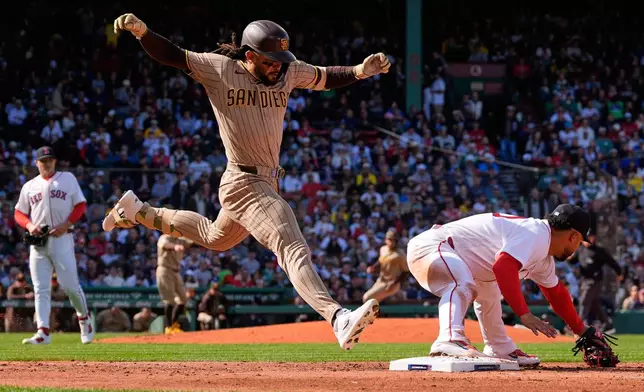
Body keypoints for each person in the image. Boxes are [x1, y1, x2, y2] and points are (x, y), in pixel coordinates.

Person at [104, 14, 390, 350]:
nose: (279, 68)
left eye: (282, 60)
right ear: (250, 55)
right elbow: (174, 55)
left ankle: (139, 212)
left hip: (265, 181)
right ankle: (337, 317)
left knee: (215, 237)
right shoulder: (221, 69)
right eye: (271, 61)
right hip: (244, 181)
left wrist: (360, 71)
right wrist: (142, 32)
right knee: (292, 247)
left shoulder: (288, 70)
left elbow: (326, 77)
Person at [406, 204, 597, 367]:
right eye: (580, 241)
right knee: (461, 282)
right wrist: (524, 314)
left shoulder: (543, 255)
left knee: (489, 290)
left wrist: (580, 329)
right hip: (432, 247)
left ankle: (499, 348)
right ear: (573, 236)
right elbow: (503, 266)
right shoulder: (536, 233)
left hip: (457, 255)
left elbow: (557, 294)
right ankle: (449, 339)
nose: (577, 247)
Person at [13, 146, 94, 345]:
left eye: (50, 159)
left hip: (62, 238)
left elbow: (81, 205)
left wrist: (67, 224)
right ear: (37, 163)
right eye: (43, 160)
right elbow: (19, 213)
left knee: (70, 286)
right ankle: (43, 331)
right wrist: (30, 225)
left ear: (55, 161)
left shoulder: (67, 179)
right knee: (40, 288)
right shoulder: (30, 185)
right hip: (38, 242)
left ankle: (84, 318)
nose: (47, 163)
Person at [568, 234, 622, 333]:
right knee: (594, 303)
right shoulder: (580, 250)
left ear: (594, 238)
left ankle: (577, 326)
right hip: (584, 281)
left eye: (590, 237)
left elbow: (611, 261)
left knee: (584, 301)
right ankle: (608, 325)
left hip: (595, 280)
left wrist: (619, 272)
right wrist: (569, 258)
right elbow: (572, 261)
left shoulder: (599, 251)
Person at [156, 234, 193, 334]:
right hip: (165, 269)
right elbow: (165, 244)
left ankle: (173, 324)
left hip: (176, 271)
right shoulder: (165, 237)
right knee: (169, 300)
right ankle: (168, 327)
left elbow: (192, 242)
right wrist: (174, 246)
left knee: (183, 299)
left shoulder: (180, 239)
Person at [363, 230, 409, 303]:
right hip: (381, 280)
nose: (391, 242)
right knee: (373, 303)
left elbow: (406, 271)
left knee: (367, 298)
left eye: (394, 240)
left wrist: (394, 283)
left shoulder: (400, 254)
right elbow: (381, 261)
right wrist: (373, 267)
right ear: (385, 240)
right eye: (389, 239)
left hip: (392, 283)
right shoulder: (383, 249)